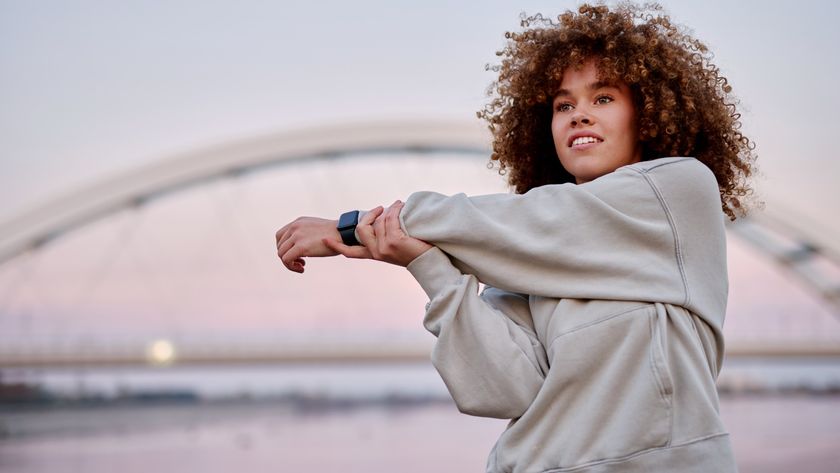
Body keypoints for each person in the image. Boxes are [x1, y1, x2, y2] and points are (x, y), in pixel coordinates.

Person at [274, 3, 758, 472]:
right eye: (562, 104)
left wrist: (355, 224)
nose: (579, 115)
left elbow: (538, 221)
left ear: (649, 113)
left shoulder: (678, 189)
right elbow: (506, 390)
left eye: (603, 98)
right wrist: (427, 265)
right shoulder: (529, 257)